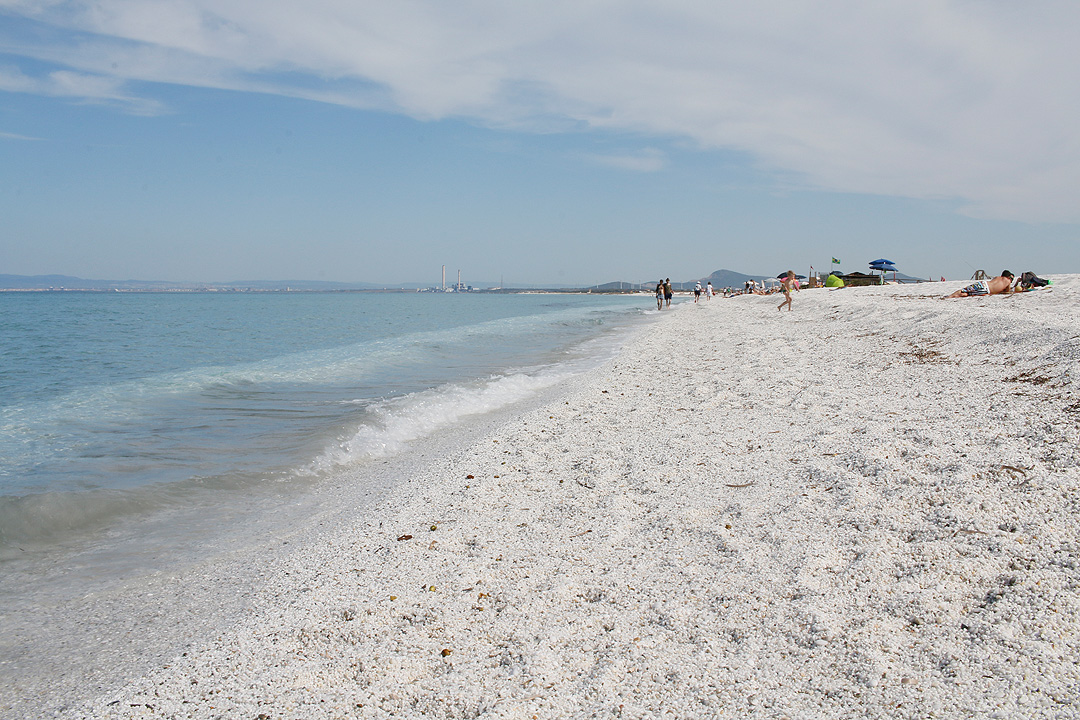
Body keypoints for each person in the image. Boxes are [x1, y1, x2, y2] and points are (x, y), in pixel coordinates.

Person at [947, 271, 1015, 298]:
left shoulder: (997, 277)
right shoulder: (1008, 282)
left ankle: (950, 296)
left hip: (983, 283)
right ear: (1009, 277)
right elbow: (1007, 291)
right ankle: (953, 296)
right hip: (986, 290)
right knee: (968, 294)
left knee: (964, 290)